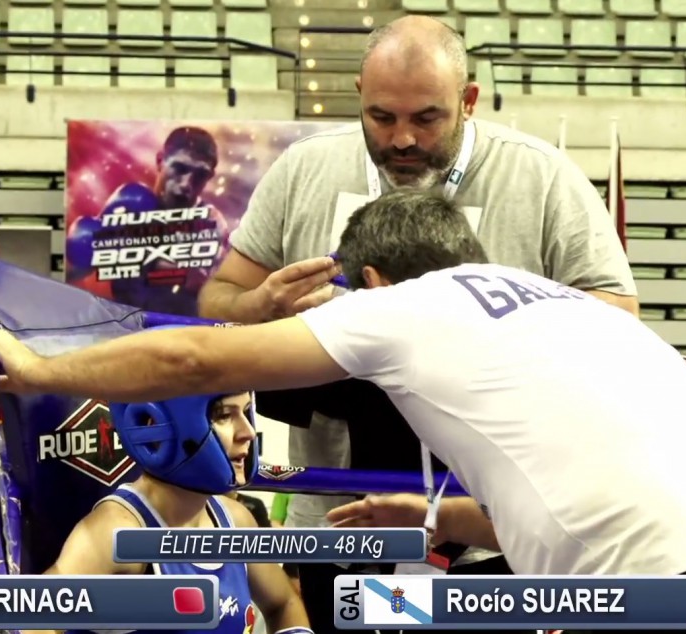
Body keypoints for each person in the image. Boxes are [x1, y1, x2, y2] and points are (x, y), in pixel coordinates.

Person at [0, 190, 686, 591]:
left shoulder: (406, 306)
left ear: (375, 279)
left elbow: (198, 362)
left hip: (660, 590)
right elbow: (606, 480)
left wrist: (36, 369)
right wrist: (438, 515)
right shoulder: (566, 308)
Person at [194, 13, 638, 630]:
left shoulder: (539, 176)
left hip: (491, 527)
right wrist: (260, 307)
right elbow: (219, 299)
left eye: (426, 118)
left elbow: (617, 316)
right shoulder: (304, 170)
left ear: (468, 100)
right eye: (382, 117)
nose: (402, 139)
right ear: (358, 97)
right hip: (339, 517)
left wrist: (479, 322)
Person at [40, 387, 310, 634]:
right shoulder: (117, 531)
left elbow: (283, 603)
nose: (248, 432)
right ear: (153, 425)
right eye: (224, 415)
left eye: (246, 411)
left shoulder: (234, 519)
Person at [67, 126, 227, 316]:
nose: (186, 184)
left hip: (179, 332)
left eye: (200, 175)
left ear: (209, 176)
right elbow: (76, 267)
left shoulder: (209, 223)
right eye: (179, 168)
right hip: (123, 327)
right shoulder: (133, 202)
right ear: (160, 161)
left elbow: (205, 285)